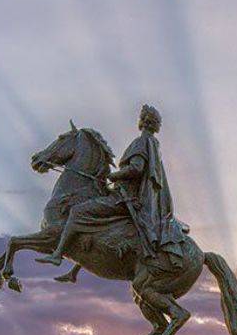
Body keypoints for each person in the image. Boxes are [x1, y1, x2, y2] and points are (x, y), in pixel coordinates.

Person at [36, 104, 186, 265]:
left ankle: (58, 254)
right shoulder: (154, 144)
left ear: (143, 121)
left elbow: (136, 168)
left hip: (124, 198)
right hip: (133, 197)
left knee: (77, 211)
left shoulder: (142, 141)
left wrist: (113, 175)